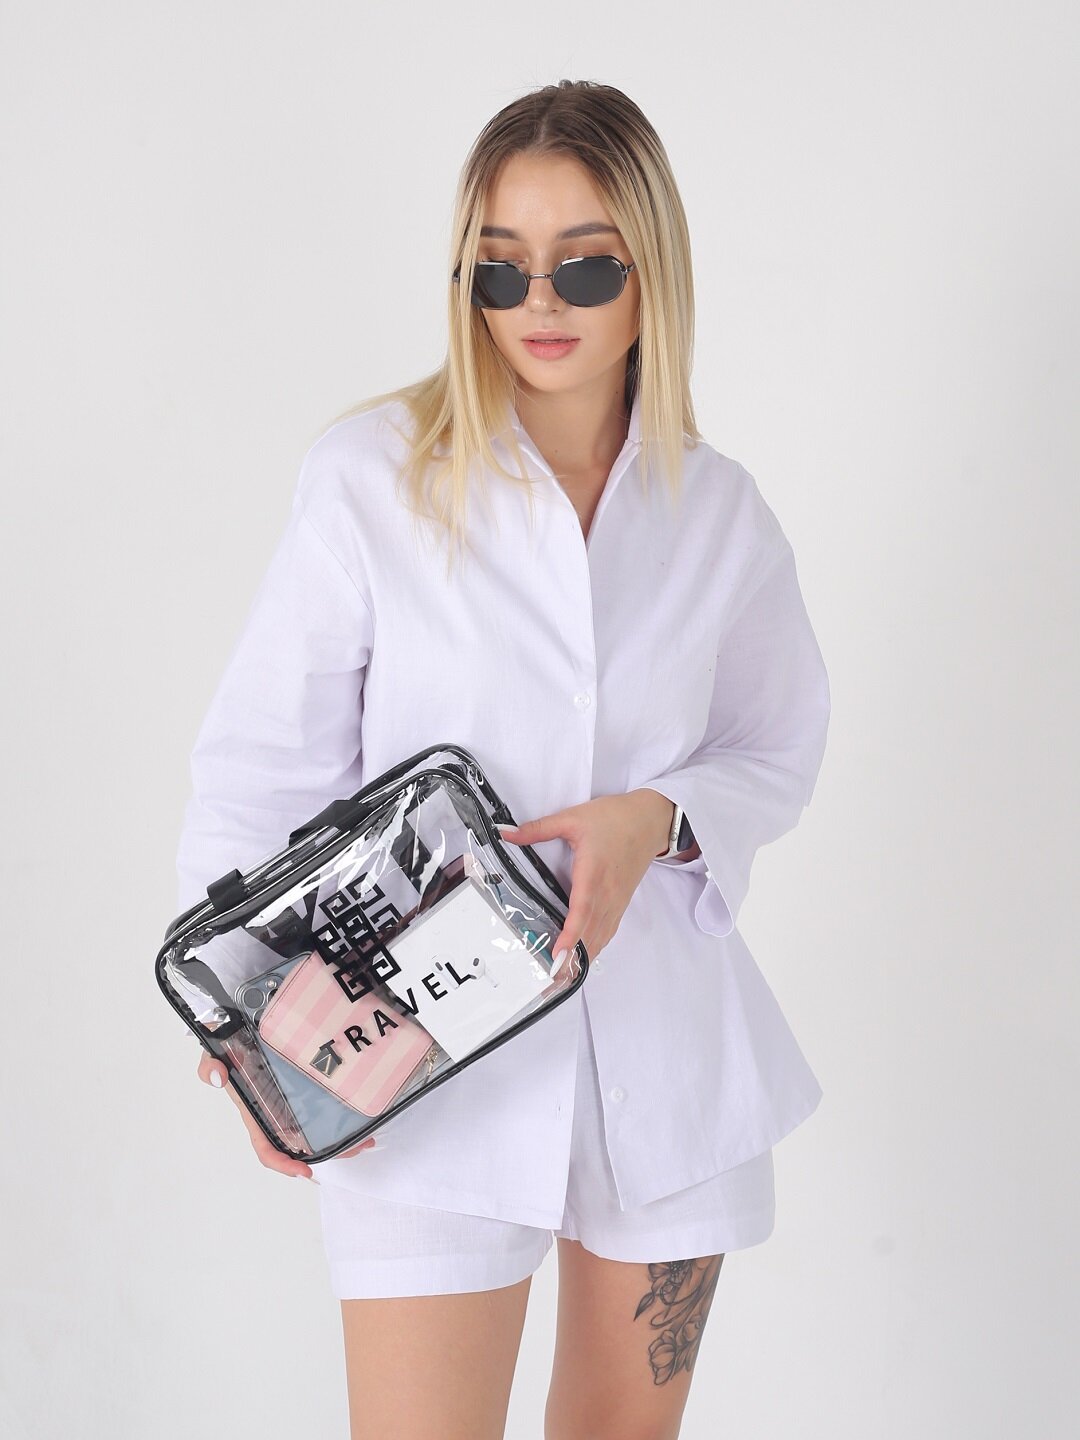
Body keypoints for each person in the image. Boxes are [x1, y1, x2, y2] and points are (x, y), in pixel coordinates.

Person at [176, 79, 831, 1440]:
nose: (540, 301)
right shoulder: (372, 480)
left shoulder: (719, 513)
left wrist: (660, 816)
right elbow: (260, 768)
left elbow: (775, 741)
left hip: (665, 1063)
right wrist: (249, 1031)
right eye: (500, 267)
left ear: (654, 272)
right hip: (418, 1063)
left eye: (585, 265)